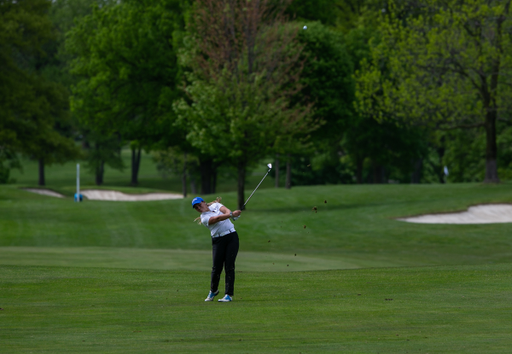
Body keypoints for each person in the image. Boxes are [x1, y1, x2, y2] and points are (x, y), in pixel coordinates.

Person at [192, 196, 242, 302]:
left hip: (231, 237)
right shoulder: (204, 218)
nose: (199, 208)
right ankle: (213, 290)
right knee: (216, 268)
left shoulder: (216, 205)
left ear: (204, 202)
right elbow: (217, 219)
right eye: (196, 208)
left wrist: (231, 215)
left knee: (229, 266)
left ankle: (228, 295)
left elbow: (226, 210)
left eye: (199, 205)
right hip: (218, 241)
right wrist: (231, 215)